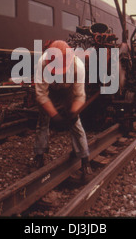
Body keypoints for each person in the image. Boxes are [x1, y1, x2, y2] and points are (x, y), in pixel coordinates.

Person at [33, 40, 93, 181]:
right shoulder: (42, 63)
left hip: (68, 91)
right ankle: (39, 156)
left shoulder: (78, 66)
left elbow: (79, 95)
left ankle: (85, 160)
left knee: (76, 125)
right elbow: (41, 94)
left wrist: (73, 113)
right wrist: (54, 115)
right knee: (42, 122)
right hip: (50, 92)